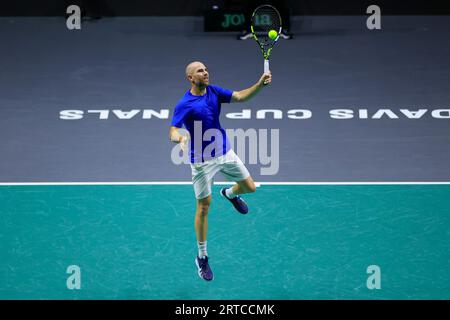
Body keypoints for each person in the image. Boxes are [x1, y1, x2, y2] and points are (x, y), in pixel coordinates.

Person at [169, 61, 271, 281]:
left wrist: (259, 84)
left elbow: (241, 97)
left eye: (206, 69)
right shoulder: (184, 104)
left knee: (250, 187)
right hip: (201, 162)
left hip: (224, 152)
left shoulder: (214, 91)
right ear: (190, 78)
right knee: (204, 207)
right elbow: (173, 131)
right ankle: (202, 257)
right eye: (200, 71)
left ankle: (230, 193)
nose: (205, 73)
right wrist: (181, 138)